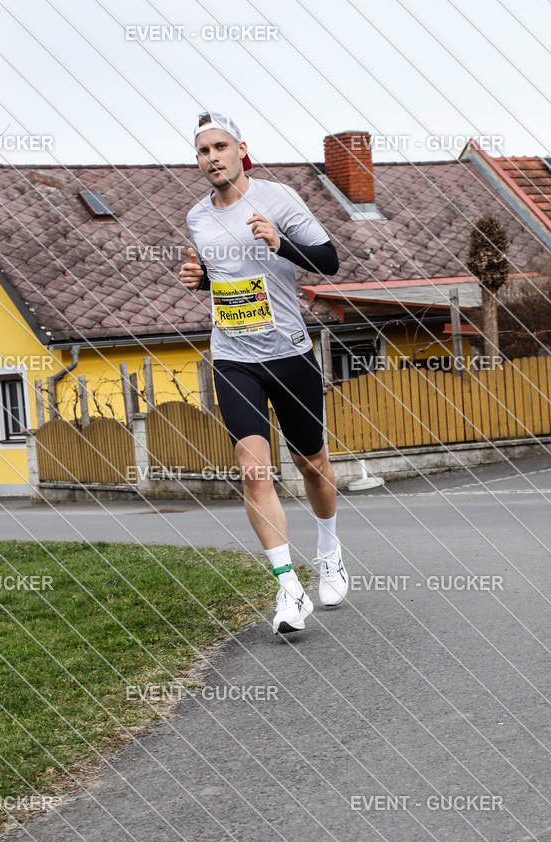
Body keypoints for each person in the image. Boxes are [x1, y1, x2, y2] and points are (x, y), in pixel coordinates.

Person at [180, 111, 347, 634]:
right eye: (203, 150)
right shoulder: (197, 218)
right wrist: (199, 279)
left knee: (312, 463)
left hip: (290, 353)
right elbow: (225, 275)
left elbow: (329, 261)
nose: (212, 157)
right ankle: (289, 590)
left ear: (241, 150)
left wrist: (281, 243)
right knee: (253, 470)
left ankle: (328, 549)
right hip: (233, 357)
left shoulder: (278, 199)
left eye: (220, 147)